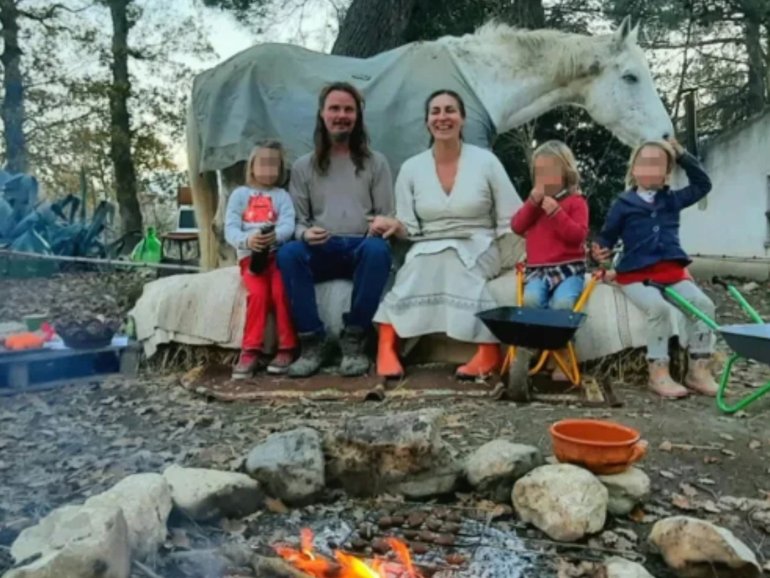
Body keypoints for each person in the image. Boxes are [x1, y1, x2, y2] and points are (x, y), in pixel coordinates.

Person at [372, 89, 521, 379]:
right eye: (436, 111)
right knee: (417, 265)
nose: (443, 117)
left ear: (462, 119)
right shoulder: (411, 168)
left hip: (479, 243)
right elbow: (408, 225)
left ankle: (488, 349)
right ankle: (386, 344)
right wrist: (393, 226)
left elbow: (511, 217)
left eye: (450, 110)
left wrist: (519, 254)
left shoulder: (487, 162)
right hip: (426, 245)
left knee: (452, 257)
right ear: (427, 121)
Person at [277, 82, 395, 378]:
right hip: (321, 247)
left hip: (360, 246)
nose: (341, 115)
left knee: (379, 250)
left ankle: (354, 340)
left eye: (348, 109)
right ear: (322, 114)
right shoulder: (304, 167)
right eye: (335, 108)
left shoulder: (376, 162)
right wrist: (305, 234)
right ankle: (312, 342)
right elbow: (297, 220)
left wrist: (380, 227)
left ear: (358, 116)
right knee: (290, 252)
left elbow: (386, 214)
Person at [592, 138, 718, 399]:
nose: (650, 169)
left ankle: (699, 370)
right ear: (634, 169)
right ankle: (658, 373)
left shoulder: (672, 200)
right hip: (635, 274)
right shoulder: (623, 204)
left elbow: (703, 184)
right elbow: (607, 236)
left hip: (671, 271)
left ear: (667, 173)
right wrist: (599, 250)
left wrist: (682, 154)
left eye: (658, 164)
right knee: (658, 308)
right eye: (644, 163)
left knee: (703, 305)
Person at [510, 140, 589, 380]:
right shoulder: (534, 205)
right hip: (538, 270)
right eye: (539, 173)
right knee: (532, 300)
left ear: (566, 173)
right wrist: (532, 204)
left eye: (550, 172)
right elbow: (517, 226)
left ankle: (561, 352)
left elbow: (577, 236)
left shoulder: (576, 203)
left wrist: (556, 213)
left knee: (563, 305)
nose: (544, 179)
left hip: (568, 269)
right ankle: (534, 349)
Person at [225, 141, 297, 379]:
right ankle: (250, 350)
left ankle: (287, 347)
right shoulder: (239, 195)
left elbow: (288, 224)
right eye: (262, 163)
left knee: (280, 292)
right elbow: (231, 228)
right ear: (252, 166)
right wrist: (248, 241)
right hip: (251, 258)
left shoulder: (282, 196)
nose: (267, 169)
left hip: (276, 256)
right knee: (258, 295)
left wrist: (275, 236)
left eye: (273, 165)